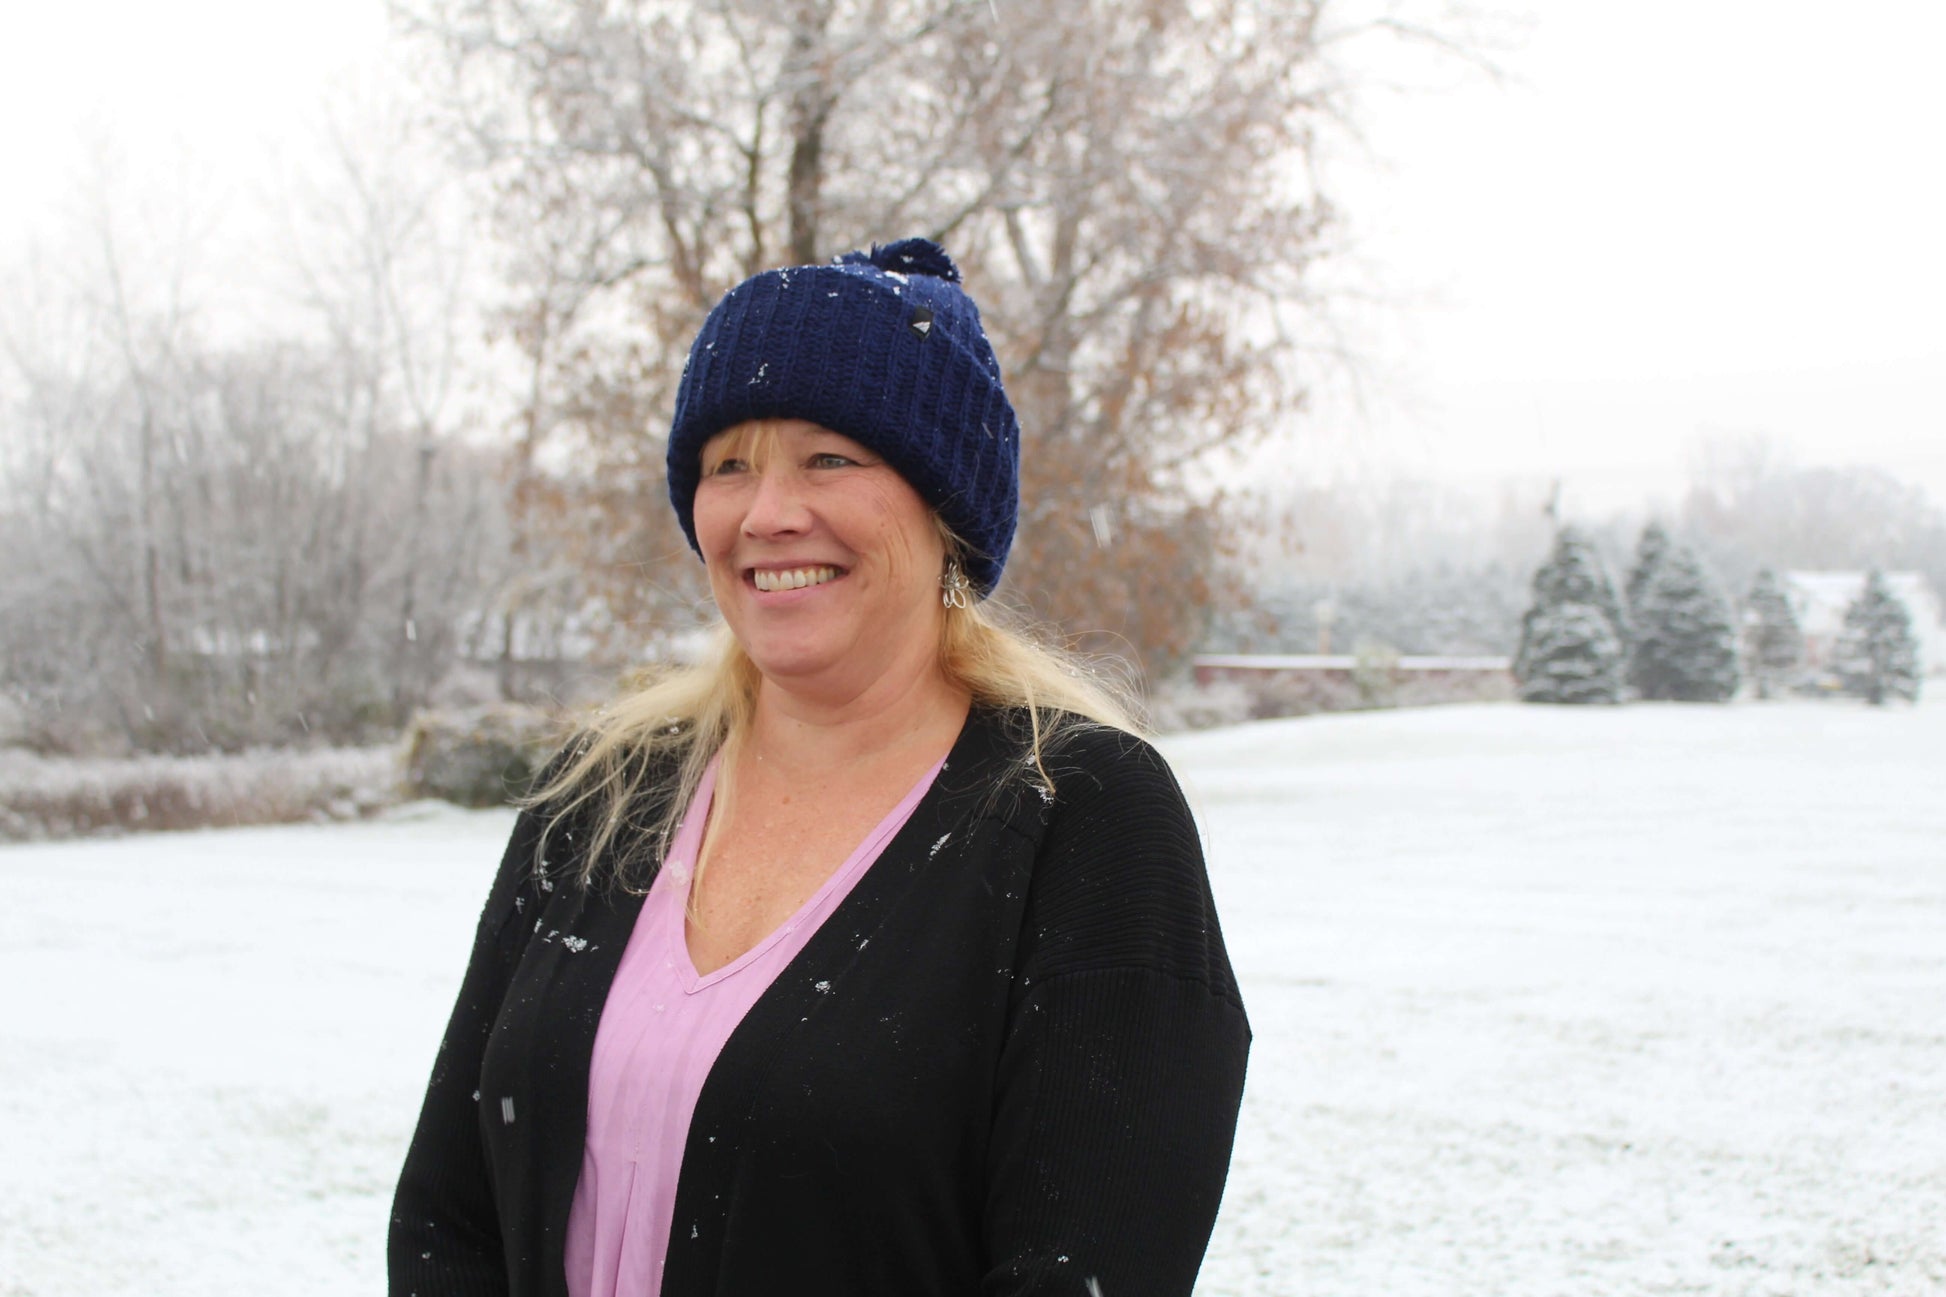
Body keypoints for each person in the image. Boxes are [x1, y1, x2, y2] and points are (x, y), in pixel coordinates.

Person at [388, 238, 1250, 1297]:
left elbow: (1086, 1267)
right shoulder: (601, 791)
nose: (765, 513)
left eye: (828, 457)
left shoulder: (1083, 817)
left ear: (943, 510)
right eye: (727, 464)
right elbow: (445, 1215)